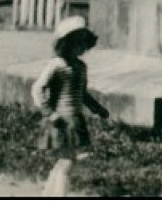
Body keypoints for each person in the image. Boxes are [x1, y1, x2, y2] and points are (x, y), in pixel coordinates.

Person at [32, 15, 110, 198]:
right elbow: (37, 88)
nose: (81, 47)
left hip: (75, 121)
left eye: (83, 43)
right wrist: (48, 112)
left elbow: (82, 94)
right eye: (76, 42)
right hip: (60, 120)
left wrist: (97, 108)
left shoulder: (80, 67)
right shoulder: (56, 66)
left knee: (64, 162)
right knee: (67, 162)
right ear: (65, 43)